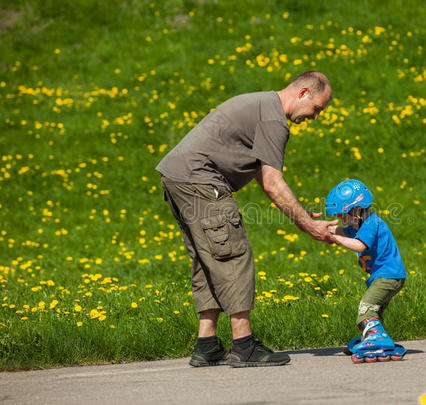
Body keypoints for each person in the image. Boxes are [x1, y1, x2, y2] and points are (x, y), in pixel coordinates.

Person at [156, 71, 337, 368]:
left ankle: (208, 344)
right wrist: (308, 225)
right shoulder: (273, 119)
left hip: (179, 177)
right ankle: (244, 345)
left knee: (209, 258)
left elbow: (263, 177)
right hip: (200, 180)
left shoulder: (262, 106)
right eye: (317, 108)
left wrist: (300, 211)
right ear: (303, 92)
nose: (316, 117)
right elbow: (272, 184)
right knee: (232, 255)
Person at [325, 179, 407, 362]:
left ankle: (378, 338)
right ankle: (375, 337)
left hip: (388, 276)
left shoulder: (371, 223)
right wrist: (316, 226)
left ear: (356, 211)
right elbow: (337, 230)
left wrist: (336, 240)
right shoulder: (359, 225)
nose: (341, 220)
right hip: (387, 277)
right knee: (375, 310)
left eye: (342, 215)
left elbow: (359, 246)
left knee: (366, 308)